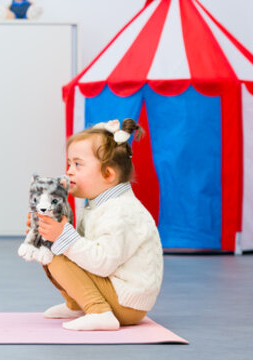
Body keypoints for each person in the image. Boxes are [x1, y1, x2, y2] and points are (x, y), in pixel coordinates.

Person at [27, 118, 163, 331]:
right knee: (50, 247)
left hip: (126, 302)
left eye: (78, 164)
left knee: (58, 253)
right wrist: (46, 230)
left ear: (108, 174)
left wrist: (62, 236)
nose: (69, 171)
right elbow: (83, 248)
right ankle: (77, 304)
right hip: (114, 290)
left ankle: (99, 312)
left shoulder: (121, 211)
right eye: (69, 164)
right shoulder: (97, 205)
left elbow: (103, 262)